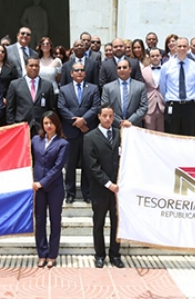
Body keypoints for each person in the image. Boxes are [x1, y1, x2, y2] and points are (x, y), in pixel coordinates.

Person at [83, 104, 124, 269]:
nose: (108, 119)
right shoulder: (90, 137)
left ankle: (115, 254)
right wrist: (108, 184)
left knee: (117, 223)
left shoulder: (119, 135)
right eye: (105, 116)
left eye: (111, 116)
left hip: (118, 190)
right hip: (100, 189)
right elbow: (92, 166)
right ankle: (99, 255)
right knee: (99, 223)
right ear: (99, 116)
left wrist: (119, 182)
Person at [57, 62, 100, 204]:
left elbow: (96, 107)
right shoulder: (64, 89)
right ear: (71, 73)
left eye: (82, 70)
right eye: (77, 70)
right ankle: (70, 193)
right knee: (70, 164)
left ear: (85, 73)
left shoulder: (93, 88)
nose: (80, 72)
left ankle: (87, 193)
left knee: (87, 163)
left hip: (88, 130)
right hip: (71, 131)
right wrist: (76, 122)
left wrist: (84, 120)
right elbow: (61, 107)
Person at [31, 111, 69, 268]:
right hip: (37, 187)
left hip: (54, 188)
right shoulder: (35, 140)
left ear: (56, 124)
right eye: (45, 123)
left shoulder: (63, 144)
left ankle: (53, 255)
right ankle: (42, 253)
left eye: (51, 123)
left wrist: (42, 182)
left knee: (55, 221)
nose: (48, 126)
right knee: (39, 221)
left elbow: (57, 167)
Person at [159, 37, 195, 136]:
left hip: (189, 106)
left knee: (188, 136)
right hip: (173, 105)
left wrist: (194, 98)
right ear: (175, 48)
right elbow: (163, 86)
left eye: (184, 46)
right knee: (171, 136)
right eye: (179, 46)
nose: (182, 48)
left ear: (188, 48)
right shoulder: (166, 66)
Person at [6, 57, 56, 138]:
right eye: (31, 65)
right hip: (21, 128)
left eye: (36, 66)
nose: (34, 68)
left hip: (41, 128)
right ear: (26, 67)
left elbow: (51, 109)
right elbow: (10, 109)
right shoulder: (15, 84)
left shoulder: (47, 85)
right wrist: (12, 126)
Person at [101, 59, 148, 128]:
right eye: (119, 68)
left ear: (130, 69)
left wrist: (130, 121)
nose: (121, 70)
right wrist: (120, 122)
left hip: (134, 126)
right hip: (115, 127)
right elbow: (105, 106)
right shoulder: (107, 88)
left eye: (124, 67)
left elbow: (144, 107)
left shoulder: (140, 86)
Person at [140, 48, 166, 131]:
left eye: (157, 56)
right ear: (149, 58)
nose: (155, 58)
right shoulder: (143, 71)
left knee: (162, 135)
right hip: (149, 106)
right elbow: (141, 91)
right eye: (153, 56)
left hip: (163, 106)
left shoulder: (166, 70)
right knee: (149, 134)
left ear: (161, 56)